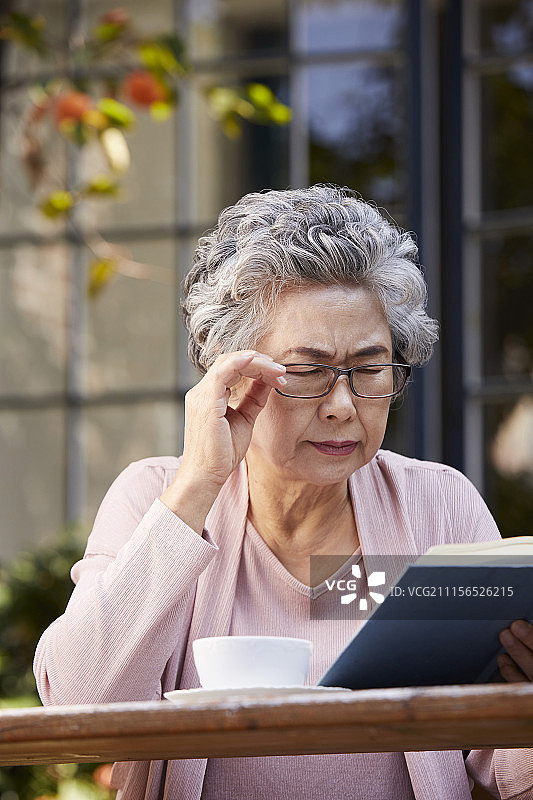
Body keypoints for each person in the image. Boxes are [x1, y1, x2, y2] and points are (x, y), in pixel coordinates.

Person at [34, 185, 533, 800]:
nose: (342, 405)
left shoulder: (439, 507)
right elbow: (81, 705)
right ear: (232, 374)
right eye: (305, 371)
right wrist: (199, 482)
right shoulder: (156, 497)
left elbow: (508, 771)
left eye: (369, 368)